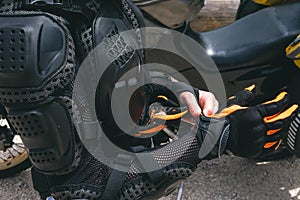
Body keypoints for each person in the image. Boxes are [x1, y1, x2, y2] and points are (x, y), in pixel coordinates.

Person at [0, 0, 297, 199]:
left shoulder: (86, 7)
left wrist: (165, 88)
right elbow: (82, 189)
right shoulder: (29, 31)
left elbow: (104, 76)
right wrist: (212, 138)